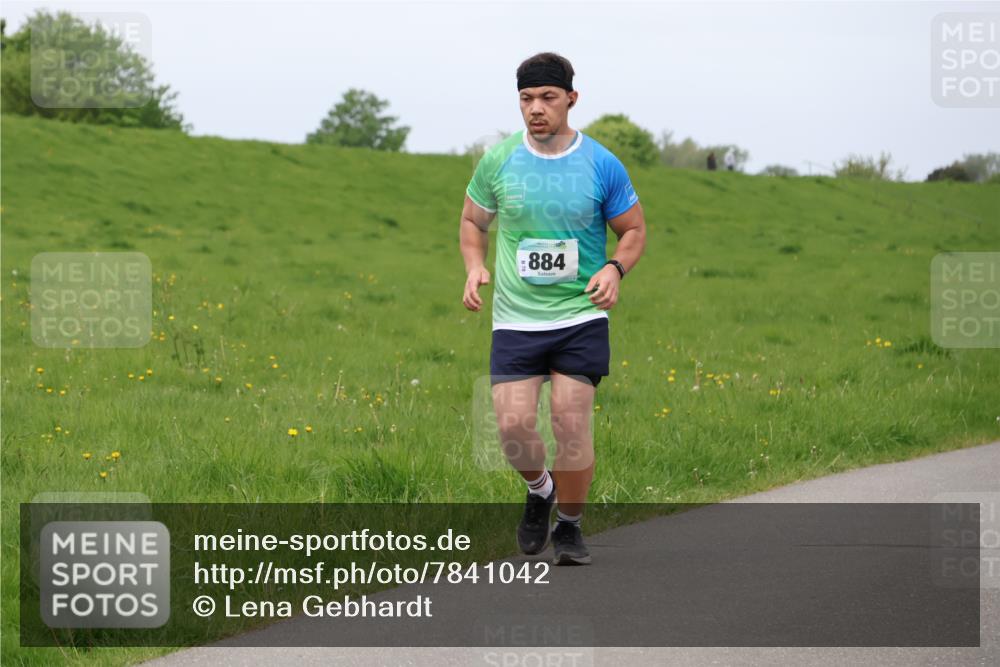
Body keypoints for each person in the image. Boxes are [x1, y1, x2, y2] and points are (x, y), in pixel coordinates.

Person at [458, 52, 646, 565]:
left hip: (579, 314)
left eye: (546, 97)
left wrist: (614, 269)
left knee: (569, 421)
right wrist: (474, 266)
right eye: (526, 99)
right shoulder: (498, 160)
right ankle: (540, 490)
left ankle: (569, 526)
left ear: (570, 99)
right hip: (517, 319)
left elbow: (632, 230)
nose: (535, 108)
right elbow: (473, 223)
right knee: (513, 428)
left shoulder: (601, 163)